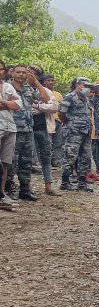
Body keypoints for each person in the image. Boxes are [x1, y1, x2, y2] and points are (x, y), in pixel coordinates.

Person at [6, 65, 40, 200]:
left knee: (26, 161)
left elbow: (45, 98)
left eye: (24, 73)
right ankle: (8, 189)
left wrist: (36, 82)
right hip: (13, 129)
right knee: (11, 161)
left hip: (28, 129)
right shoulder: (7, 88)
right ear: (12, 73)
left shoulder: (28, 89)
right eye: (18, 72)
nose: (21, 75)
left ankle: (25, 189)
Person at [59, 77, 97, 192]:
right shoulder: (70, 97)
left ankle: (82, 183)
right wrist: (69, 123)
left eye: (89, 87)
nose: (87, 89)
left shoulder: (86, 99)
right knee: (70, 156)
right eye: (85, 86)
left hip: (86, 132)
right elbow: (61, 113)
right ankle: (65, 182)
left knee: (85, 157)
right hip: (73, 132)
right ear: (78, 85)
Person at [31, 72, 61, 196]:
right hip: (27, 127)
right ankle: (26, 187)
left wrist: (36, 105)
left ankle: (48, 186)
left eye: (35, 75)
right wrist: (42, 106)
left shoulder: (45, 91)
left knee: (46, 157)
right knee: (27, 158)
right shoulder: (20, 90)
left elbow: (54, 107)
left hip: (43, 127)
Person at [0, 62, 20, 209]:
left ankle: (1, 194)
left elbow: (18, 105)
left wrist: (3, 103)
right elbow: (12, 104)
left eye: (1, 69)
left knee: (6, 163)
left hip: (9, 126)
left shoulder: (8, 86)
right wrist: (9, 103)